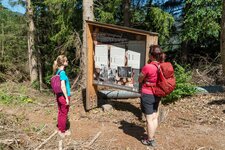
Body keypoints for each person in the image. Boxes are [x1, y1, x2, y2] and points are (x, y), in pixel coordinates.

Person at [138, 45, 165, 147]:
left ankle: (150, 140)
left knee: (149, 119)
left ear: (151, 56)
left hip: (148, 94)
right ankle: (152, 137)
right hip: (157, 94)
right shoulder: (161, 66)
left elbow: (140, 79)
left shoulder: (148, 67)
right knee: (154, 117)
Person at [53, 55, 71, 138]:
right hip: (64, 96)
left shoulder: (58, 72)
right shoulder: (62, 72)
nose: (67, 62)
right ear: (63, 63)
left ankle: (60, 128)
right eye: (66, 61)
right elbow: (63, 86)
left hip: (59, 96)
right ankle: (62, 131)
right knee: (64, 113)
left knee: (60, 112)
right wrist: (67, 98)